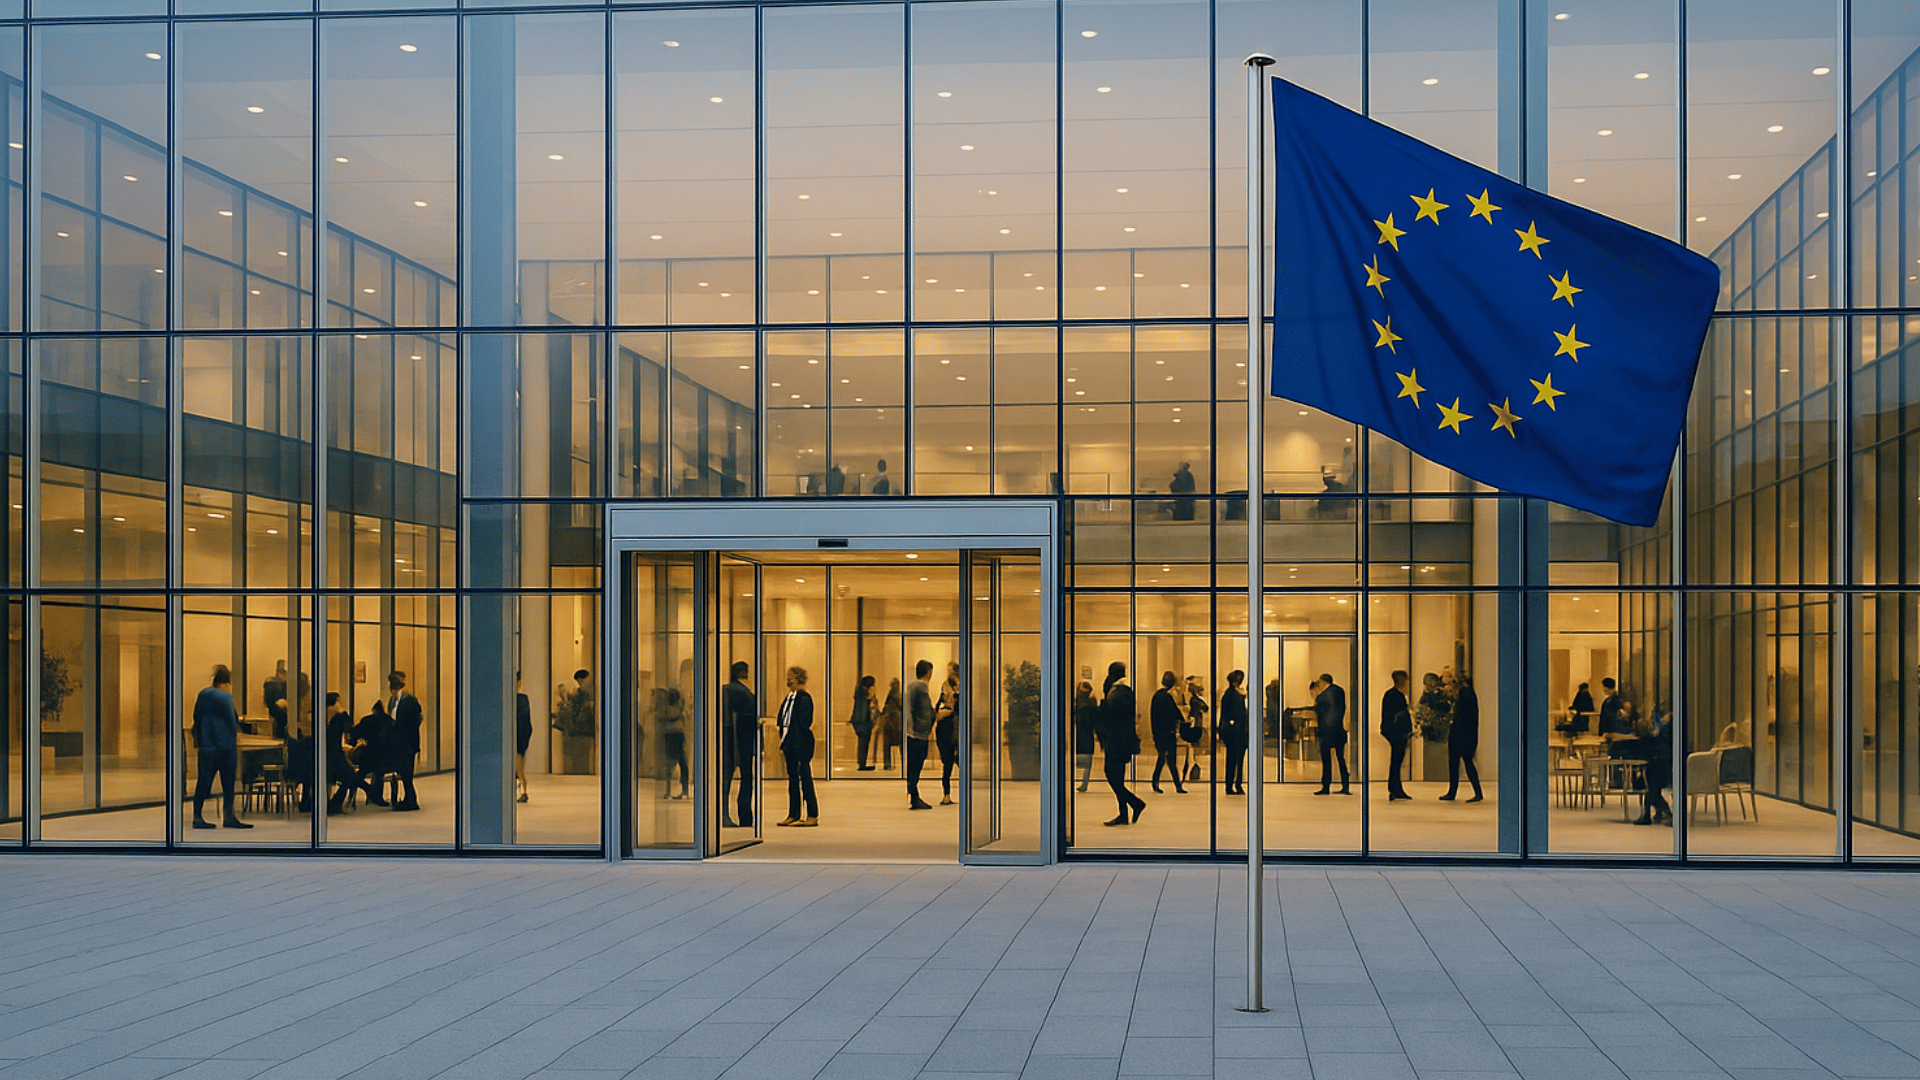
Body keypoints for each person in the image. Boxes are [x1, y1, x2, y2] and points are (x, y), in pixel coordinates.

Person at [190, 665, 251, 830]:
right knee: (228, 783)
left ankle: (197, 816)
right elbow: (232, 721)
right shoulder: (225, 697)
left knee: (204, 781)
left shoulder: (203, 694)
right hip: (225, 747)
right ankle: (229, 816)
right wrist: (237, 733)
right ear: (225, 683)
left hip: (207, 746)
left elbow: (196, 717)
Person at [1098, 662, 1145, 825]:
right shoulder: (1116, 690)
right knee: (1116, 777)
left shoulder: (1122, 692)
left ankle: (1135, 803)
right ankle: (1124, 813)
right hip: (1116, 740)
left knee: (1112, 774)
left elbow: (1117, 716)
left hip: (1118, 741)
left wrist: (1103, 708)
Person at [775, 666, 817, 826]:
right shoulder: (788, 698)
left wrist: (794, 739)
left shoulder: (804, 698)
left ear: (798, 678)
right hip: (789, 744)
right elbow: (783, 719)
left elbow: (804, 723)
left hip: (800, 745)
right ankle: (794, 813)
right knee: (793, 780)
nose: (788, 679)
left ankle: (812, 814)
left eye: (791, 676)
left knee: (805, 779)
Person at [720, 661, 757, 828]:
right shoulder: (746, 694)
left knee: (725, 779)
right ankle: (745, 816)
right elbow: (749, 720)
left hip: (726, 741)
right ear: (745, 674)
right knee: (746, 779)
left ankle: (723, 813)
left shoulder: (725, 690)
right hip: (743, 744)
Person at [323, 692, 369, 815]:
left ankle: (368, 789)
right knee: (350, 777)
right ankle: (368, 790)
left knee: (351, 777)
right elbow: (349, 730)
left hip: (324, 756)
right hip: (335, 756)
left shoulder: (321, 716)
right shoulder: (339, 717)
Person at [1441, 672, 1483, 802]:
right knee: (1466, 762)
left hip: (1461, 735)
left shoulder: (1465, 693)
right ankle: (1476, 792)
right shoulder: (1469, 693)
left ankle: (1454, 792)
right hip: (1466, 734)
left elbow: (1462, 716)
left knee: (1457, 763)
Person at [1632, 701, 1675, 826]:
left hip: (1662, 764)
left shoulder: (1665, 732)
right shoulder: (1665, 734)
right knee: (1650, 784)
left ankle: (1660, 812)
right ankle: (1658, 811)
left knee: (1650, 784)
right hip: (1662, 762)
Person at [386, 670, 423, 812]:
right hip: (399, 741)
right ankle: (409, 798)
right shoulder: (393, 700)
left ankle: (411, 800)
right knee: (404, 771)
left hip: (407, 742)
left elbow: (413, 721)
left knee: (407, 772)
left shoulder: (409, 700)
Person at [1149, 671, 1187, 794]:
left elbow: (1154, 716)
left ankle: (1157, 782)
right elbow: (1175, 713)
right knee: (1170, 760)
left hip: (1160, 733)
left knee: (1163, 758)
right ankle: (1177, 785)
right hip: (1167, 733)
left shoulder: (1157, 696)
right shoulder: (1167, 697)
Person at [905, 661, 935, 810]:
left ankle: (913, 793)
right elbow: (925, 712)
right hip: (919, 735)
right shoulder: (922, 688)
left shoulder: (911, 688)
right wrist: (927, 727)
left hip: (912, 734)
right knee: (917, 765)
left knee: (913, 766)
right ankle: (914, 795)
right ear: (928, 672)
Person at [1313, 673, 1349, 795]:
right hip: (1339, 730)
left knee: (1326, 760)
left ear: (1323, 682)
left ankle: (1326, 786)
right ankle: (1345, 785)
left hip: (1326, 732)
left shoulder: (1322, 696)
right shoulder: (1340, 691)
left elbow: (1319, 712)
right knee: (1341, 759)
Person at [350, 699, 392, 806]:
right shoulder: (389, 721)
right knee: (379, 772)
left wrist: (354, 743)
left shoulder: (367, 720)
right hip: (386, 756)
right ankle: (376, 794)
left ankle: (370, 791)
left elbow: (355, 733)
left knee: (361, 772)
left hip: (369, 755)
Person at [1381, 670, 1413, 801]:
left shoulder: (1391, 694)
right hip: (1398, 733)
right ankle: (1394, 788)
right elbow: (1399, 716)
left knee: (1396, 761)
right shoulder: (1397, 696)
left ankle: (1395, 788)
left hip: (1394, 732)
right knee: (1396, 761)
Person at [1217, 670, 1248, 796]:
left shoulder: (1230, 695)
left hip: (1235, 732)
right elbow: (1232, 714)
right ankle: (1234, 784)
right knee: (1235, 760)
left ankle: (1232, 784)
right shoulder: (1232, 695)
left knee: (1233, 760)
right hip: (1236, 732)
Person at [935, 662, 961, 806]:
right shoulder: (945, 687)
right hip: (946, 729)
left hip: (955, 730)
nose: (949, 673)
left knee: (955, 762)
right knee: (948, 763)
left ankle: (950, 794)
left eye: (951, 671)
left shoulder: (960, 688)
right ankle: (946, 795)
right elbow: (938, 705)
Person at [660, 687, 690, 799]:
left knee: (672, 764)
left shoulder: (668, 708)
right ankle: (683, 790)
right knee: (681, 764)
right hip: (676, 735)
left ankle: (670, 791)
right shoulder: (677, 709)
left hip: (672, 736)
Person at [1073, 681, 1098, 792]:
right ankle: (1084, 783)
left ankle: (1084, 783)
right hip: (1085, 734)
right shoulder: (1090, 702)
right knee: (1087, 762)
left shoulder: (1077, 703)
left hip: (1080, 734)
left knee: (1084, 761)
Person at [1182, 675, 1209, 781]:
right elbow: (1205, 708)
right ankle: (1195, 765)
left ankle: (1194, 765)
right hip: (1196, 724)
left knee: (1194, 748)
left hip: (1196, 724)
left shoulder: (1194, 700)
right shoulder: (1195, 700)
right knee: (1195, 747)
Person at [850, 675, 878, 771]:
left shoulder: (860, 694)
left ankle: (862, 762)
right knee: (863, 742)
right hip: (863, 723)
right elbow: (863, 711)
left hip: (860, 722)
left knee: (862, 742)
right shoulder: (863, 696)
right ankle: (862, 763)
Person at [515, 674, 533, 804]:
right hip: (519, 734)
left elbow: (523, 720)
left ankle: (523, 790)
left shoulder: (521, 699)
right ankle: (522, 790)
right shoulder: (521, 699)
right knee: (518, 764)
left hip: (519, 735)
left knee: (518, 763)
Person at [879, 677, 903, 769]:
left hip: (889, 724)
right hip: (897, 724)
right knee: (901, 743)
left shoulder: (889, 697)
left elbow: (884, 709)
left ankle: (887, 763)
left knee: (887, 744)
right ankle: (903, 763)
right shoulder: (898, 696)